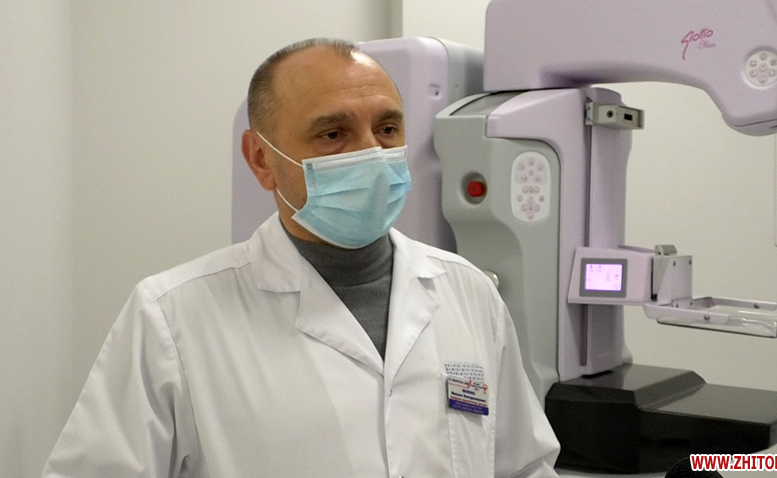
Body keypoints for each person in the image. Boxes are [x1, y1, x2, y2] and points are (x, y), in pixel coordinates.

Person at [43, 38, 560, 477]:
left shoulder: (468, 291)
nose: (372, 155)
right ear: (261, 159)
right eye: (333, 134)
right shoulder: (172, 317)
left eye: (387, 129)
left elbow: (522, 467)